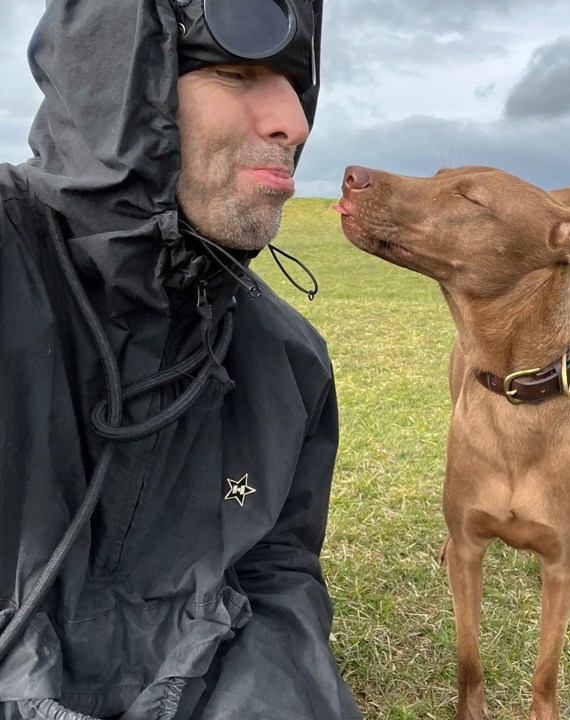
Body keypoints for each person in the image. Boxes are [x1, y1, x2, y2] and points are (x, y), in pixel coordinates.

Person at [0, 0, 361, 718]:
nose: (293, 121)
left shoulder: (290, 365)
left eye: (295, 83)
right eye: (235, 71)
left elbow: (276, 575)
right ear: (118, 87)